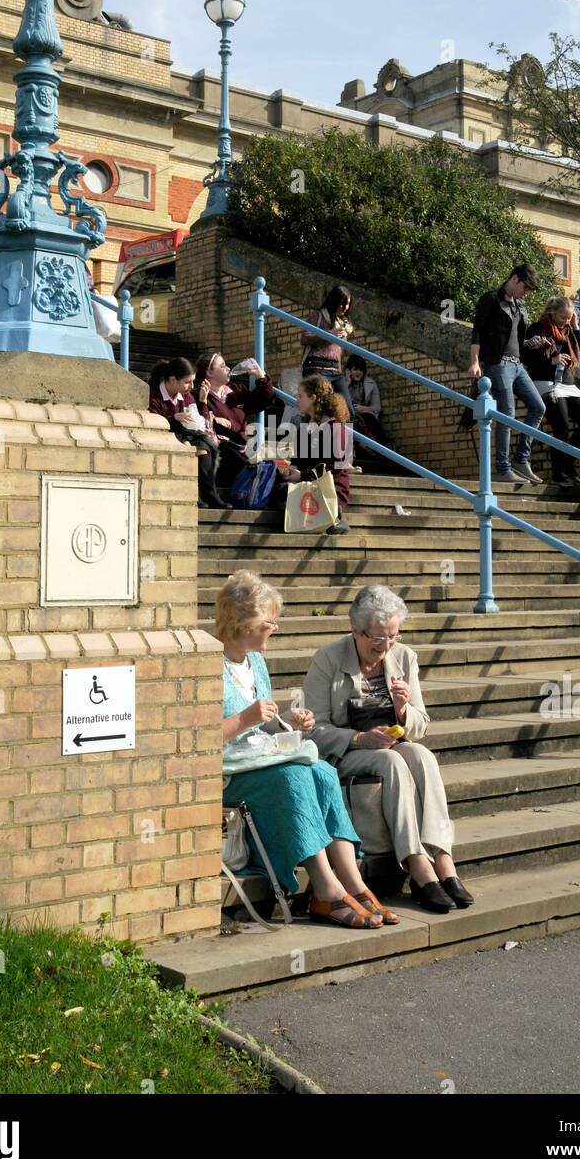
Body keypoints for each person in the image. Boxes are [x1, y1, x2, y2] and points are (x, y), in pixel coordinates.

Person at [218, 570, 398, 928]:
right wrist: (245, 718)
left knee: (323, 771)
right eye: (270, 622)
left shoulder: (255, 661)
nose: (276, 627)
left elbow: (261, 725)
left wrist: (286, 721)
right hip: (229, 773)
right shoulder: (208, 664)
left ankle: (352, 882)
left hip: (258, 758)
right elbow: (196, 739)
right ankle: (325, 890)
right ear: (245, 624)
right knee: (294, 775)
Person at [302, 583, 474, 914]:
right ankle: (417, 866)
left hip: (391, 746)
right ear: (355, 630)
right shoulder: (327, 659)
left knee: (422, 756)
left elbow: (420, 726)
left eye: (392, 636)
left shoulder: (404, 656)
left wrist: (403, 709)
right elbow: (314, 730)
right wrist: (358, 738)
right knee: (391, 762)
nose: (385, 646)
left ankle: (443, 860)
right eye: (377, 638)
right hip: (345, 755)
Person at [467, 260, 546, 484]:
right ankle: (502, 469)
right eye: (525, 288)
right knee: (507, 413)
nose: (526, 293)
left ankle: (521, 459)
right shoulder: (491, 299)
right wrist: (475, 362)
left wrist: (532, 343)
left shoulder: (519, 305)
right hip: (498, 364)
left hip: (517, 365)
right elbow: (477, 333)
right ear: (514, 279)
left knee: (538, 407)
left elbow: (515, 340)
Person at [522, 296, 580, 487]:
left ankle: (568, 463)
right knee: (561, 426)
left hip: (567, 382)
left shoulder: (569, 330)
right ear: (552, 313)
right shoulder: (538, 329)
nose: (565, 321)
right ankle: (557, 474)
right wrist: (551, 360)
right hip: (545, 381)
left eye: (568, 318)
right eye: (562, 317)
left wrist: (576, 327)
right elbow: (526, 357)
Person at [148, 356, 229, 509]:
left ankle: (210, 493)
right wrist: (174, 417)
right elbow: (153, 421)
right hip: (163, 435)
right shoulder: (154, 394)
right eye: (187, 382)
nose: (192, 386)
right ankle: (193, 493)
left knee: (205, 448)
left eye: (193, 381)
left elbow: (200, 419)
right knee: (192, 447)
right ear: (172, 379)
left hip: (185, 433)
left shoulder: (185, 395)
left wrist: (203, 401)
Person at [275, 374, 351, 534]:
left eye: (300, 396)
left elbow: (334, 468)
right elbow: (298, 460)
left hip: (331, 489)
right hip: (308, 483)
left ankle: (334, 514)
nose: (297, 400)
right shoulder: (304, 427)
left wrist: (302, 475)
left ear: (313, 398)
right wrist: (292, 469)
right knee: (276, 489)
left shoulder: (334, 427)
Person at [193, 351, 277, 489]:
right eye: (222, 365)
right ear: (209, 372)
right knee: (242, 463)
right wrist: (211, 416)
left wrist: (259, 376)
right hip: (221, 452)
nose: (228, 369)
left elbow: (265, 399)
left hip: (242, 449)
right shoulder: (199, 395)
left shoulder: (235, 391)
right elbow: (198, 422)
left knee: (267, 469)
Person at [300, 284, 354, 411]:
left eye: (348, 304)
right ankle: (307, 431)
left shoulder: (343, 324)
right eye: (342, 303)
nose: (345, 308)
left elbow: (337, 352)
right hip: (316, 366)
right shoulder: (317, 315)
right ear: (334, 301)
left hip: (335, 370)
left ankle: (339, 432)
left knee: (348, 412)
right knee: (317, 409)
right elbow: (305, 338)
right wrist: (330, 334)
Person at [344, 353, 389, 449]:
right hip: (347, 415)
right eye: (355, 369)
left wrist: (362, 408)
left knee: (368, 417)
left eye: (361, 370)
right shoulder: (342, 383)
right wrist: (347, 383)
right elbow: (338, 401)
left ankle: (385, 445)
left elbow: (377, 407)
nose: (358, 372)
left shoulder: (371, 384)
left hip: (365, 416)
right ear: (349, 370)